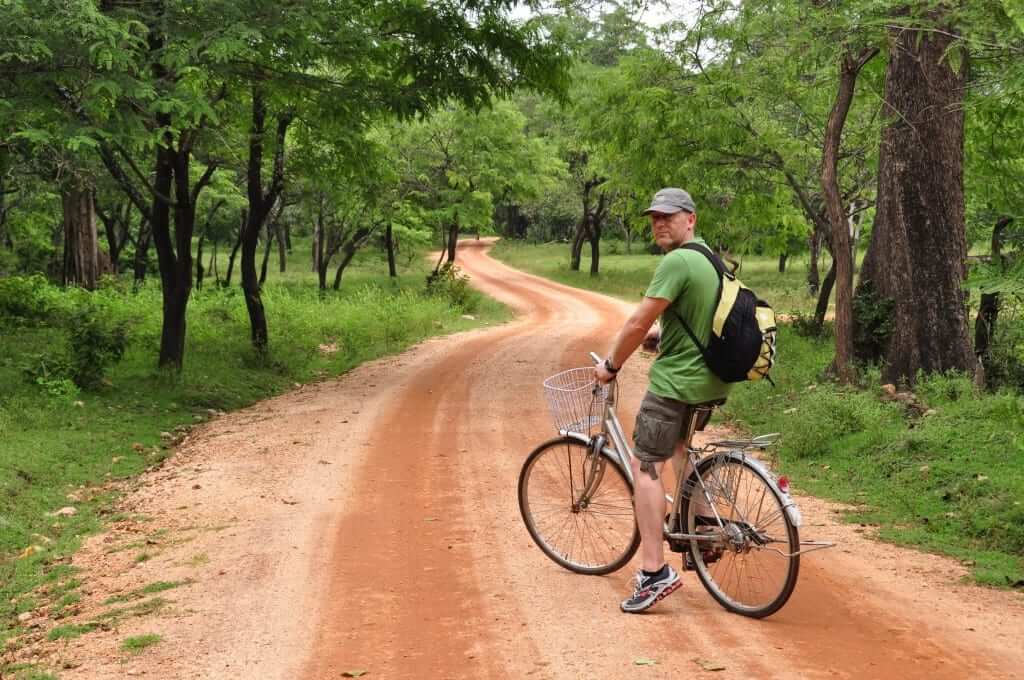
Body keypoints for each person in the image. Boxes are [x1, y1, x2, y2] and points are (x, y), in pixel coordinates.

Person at [595, 187, 732, 613]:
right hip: (713, 382)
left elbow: (637, 322)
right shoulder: (710, 259)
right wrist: (665, 338)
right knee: (677, 447)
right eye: (655, 217)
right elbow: (696, 317)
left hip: (677, 385)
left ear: (690, 219)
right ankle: (705, 524)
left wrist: (612, 365)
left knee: (645, 465)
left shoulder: (676, 261)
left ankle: (654, 572)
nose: (659, 223)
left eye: (669, 217)